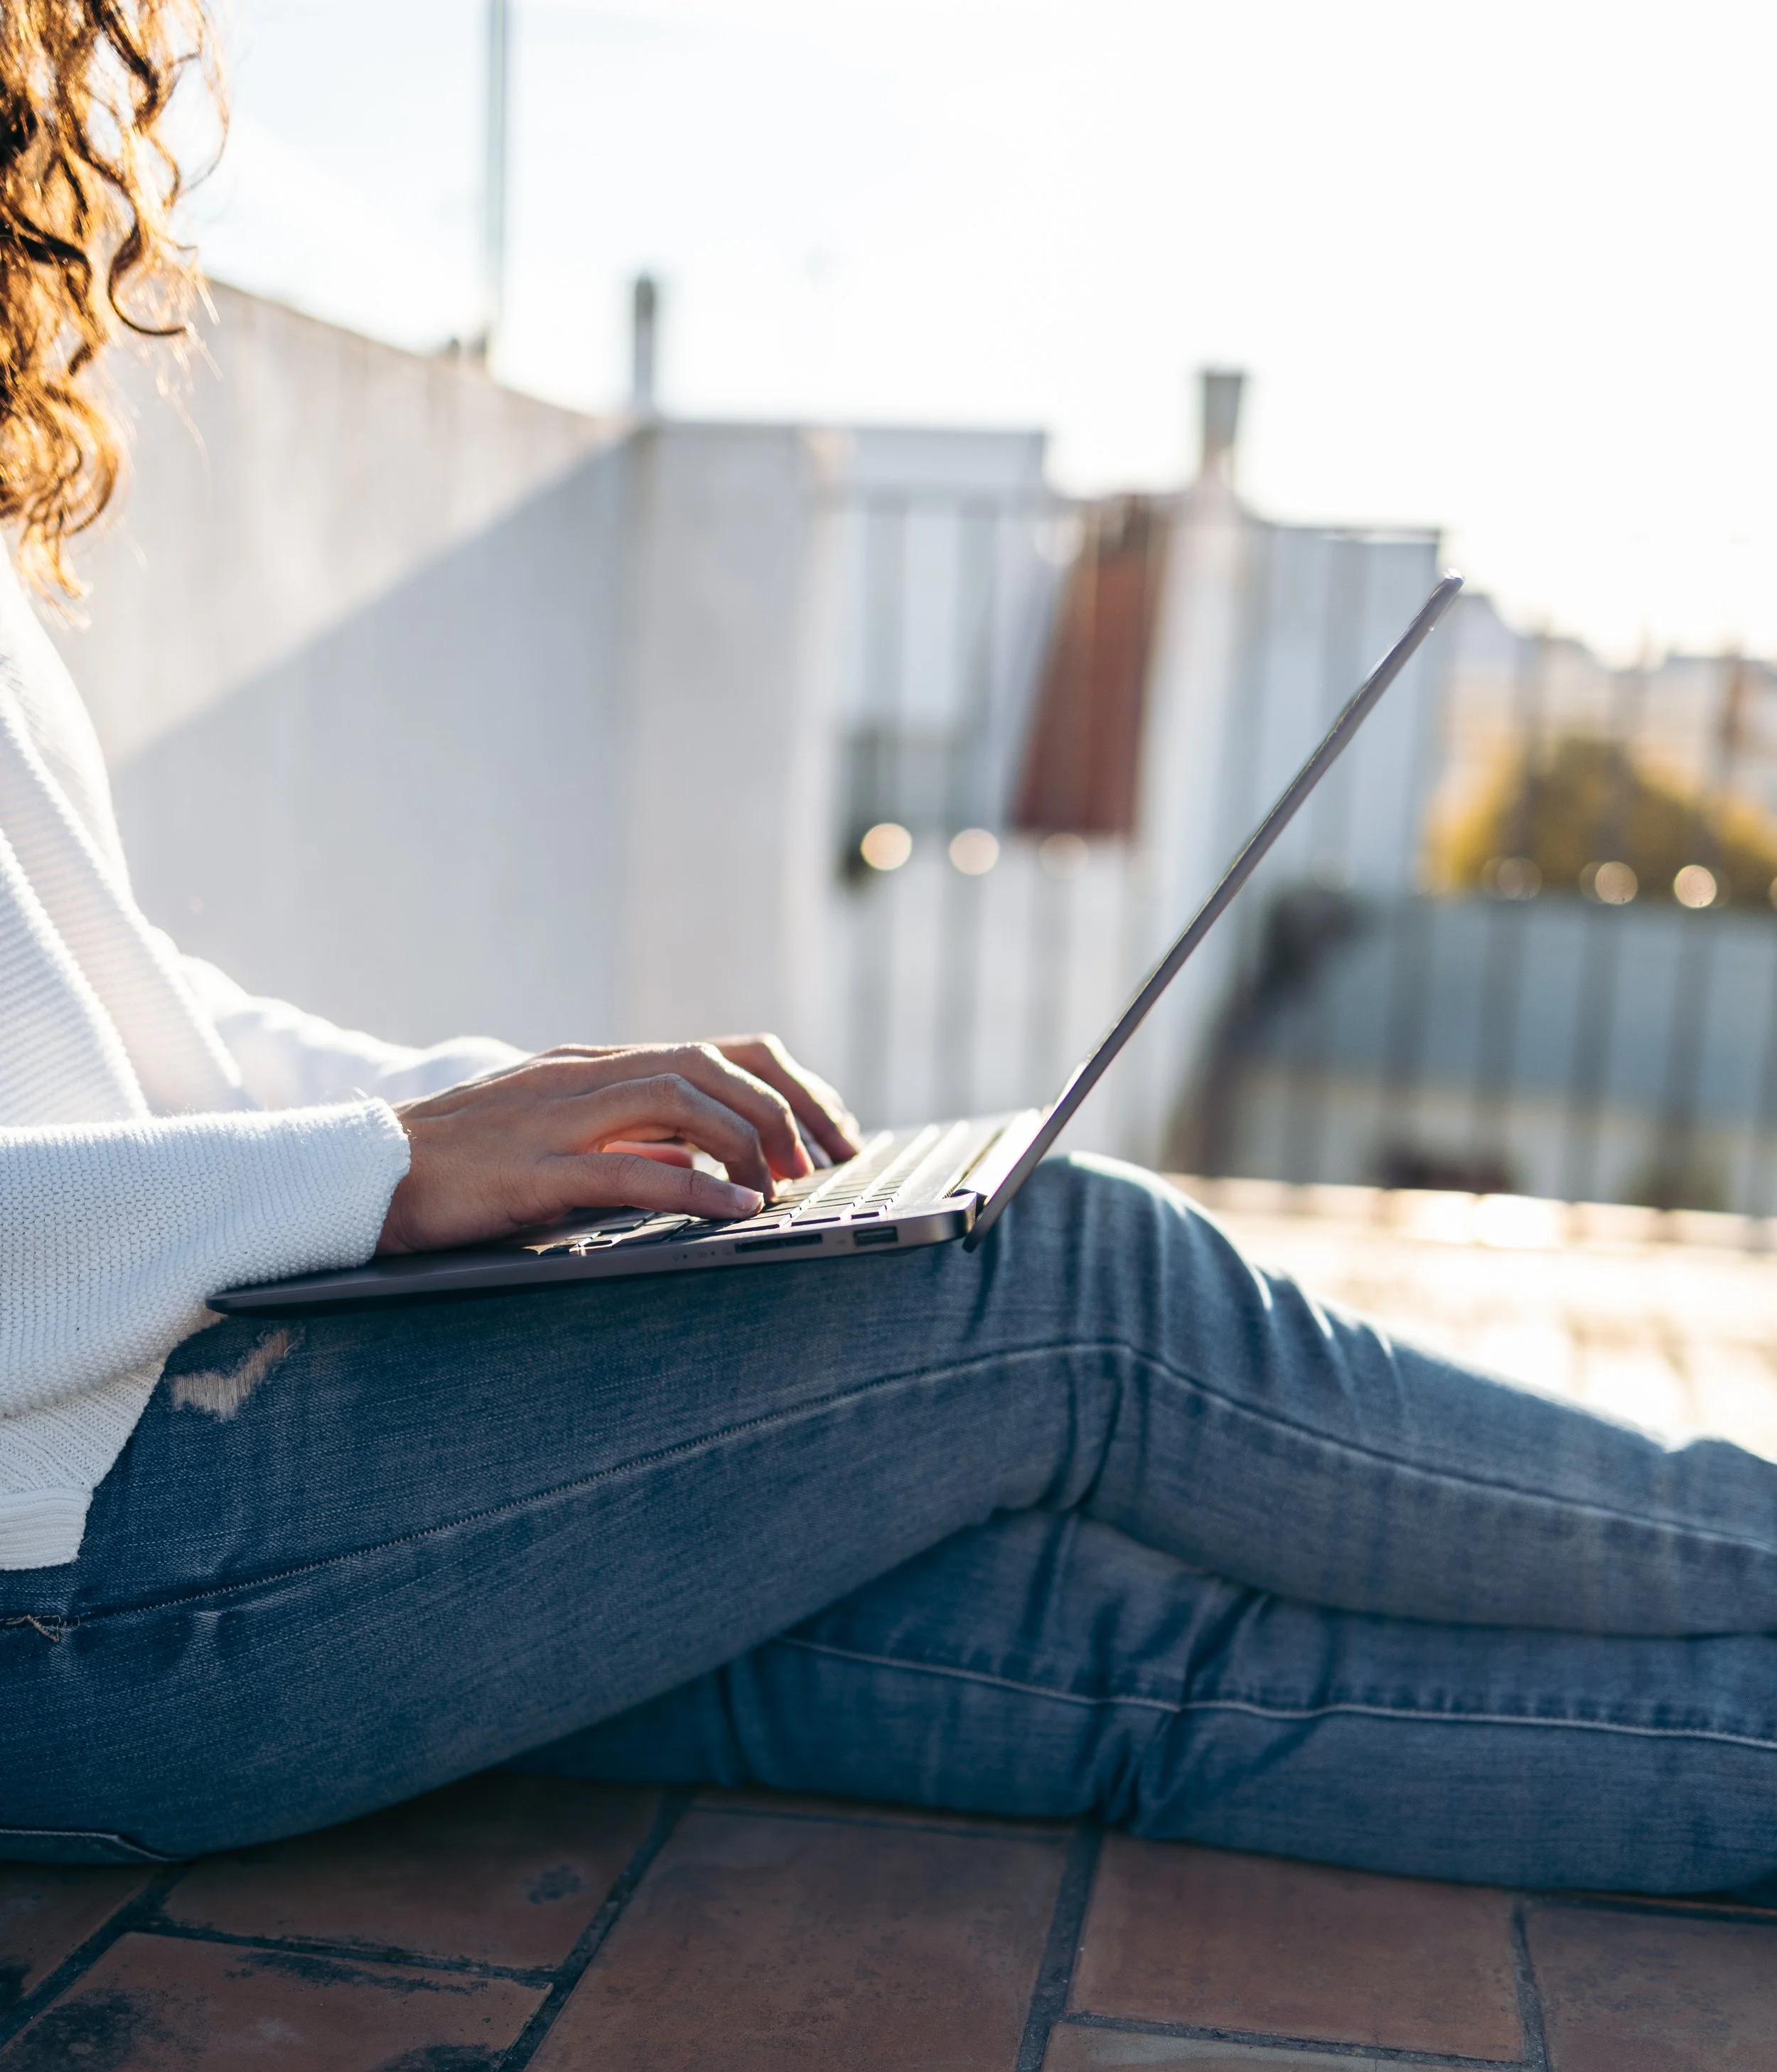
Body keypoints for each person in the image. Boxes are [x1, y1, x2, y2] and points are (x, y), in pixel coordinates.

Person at [2, 0, 1773, 1899]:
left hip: (149, 1500)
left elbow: (122, 1023)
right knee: (1072, 1287)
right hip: (99, 1580)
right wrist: (392, 1171)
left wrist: (502, 1118)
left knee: (1064, 1638)